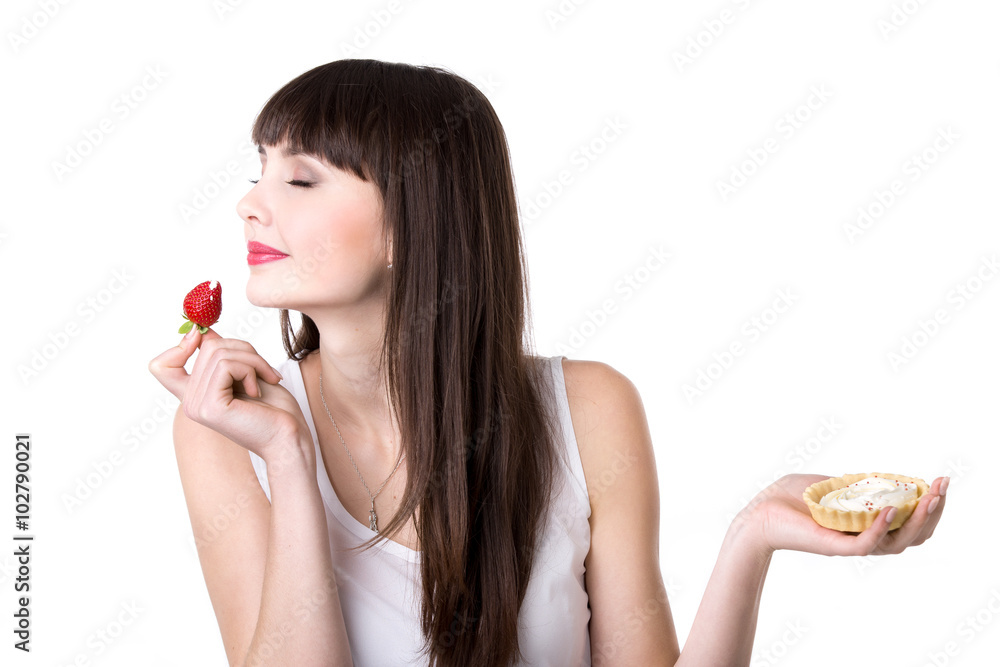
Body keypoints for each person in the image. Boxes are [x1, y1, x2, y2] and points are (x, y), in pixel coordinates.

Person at [148, 59, 948, 667]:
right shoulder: (229, 429)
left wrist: (752, 536)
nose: (252, 203)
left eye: (298, 179)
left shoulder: (590, 409)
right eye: (258, 172)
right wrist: (289, 459)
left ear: (410, 225)